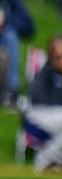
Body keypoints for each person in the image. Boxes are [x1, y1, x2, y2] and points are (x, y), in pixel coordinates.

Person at [25, 35, 62, 170]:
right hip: (38, 114)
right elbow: (37, 98)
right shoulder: (45, 74)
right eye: (58, 57)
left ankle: (55, 160)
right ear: (51, 57)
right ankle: (44, 159)